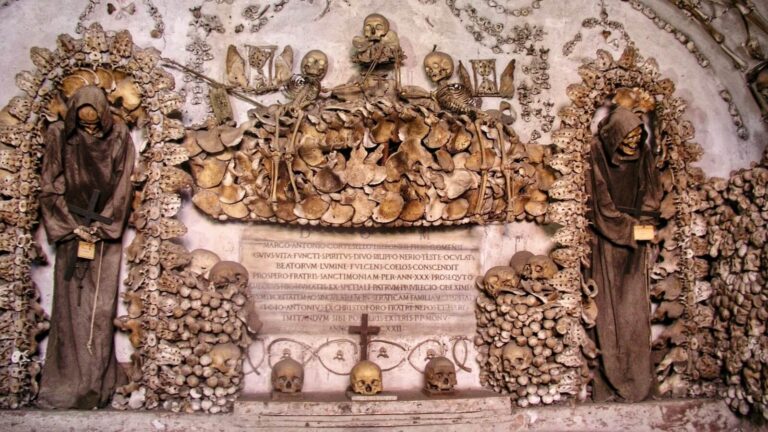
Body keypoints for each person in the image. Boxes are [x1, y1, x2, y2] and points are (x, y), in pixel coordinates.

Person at [37, 85, 134, 409]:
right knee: (70, 306)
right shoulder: (58, 136)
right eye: (83, 124)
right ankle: (66, 382)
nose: (89, 129)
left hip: (103, 235)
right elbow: (50, 184)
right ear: (74, 120)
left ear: (104, 118)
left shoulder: (119, 135)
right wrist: (72, 226)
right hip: (71, 230)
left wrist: (101, 226)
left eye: (95, 124)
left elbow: (122, 186)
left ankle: (96, 382)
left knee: (99, 307)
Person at [586, 105, 662, 402]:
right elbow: (601, 204)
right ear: (614, 135)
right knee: (605, 311)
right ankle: (610, 380)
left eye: (637, 138)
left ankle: (638, 380)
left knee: (634, 311)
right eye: (626, 139)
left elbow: (650, 192)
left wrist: (646, 223)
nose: (632, 145)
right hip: (606, 241)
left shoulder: (643, 153)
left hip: (635, 243)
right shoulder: (596, 151)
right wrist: (632, 229)